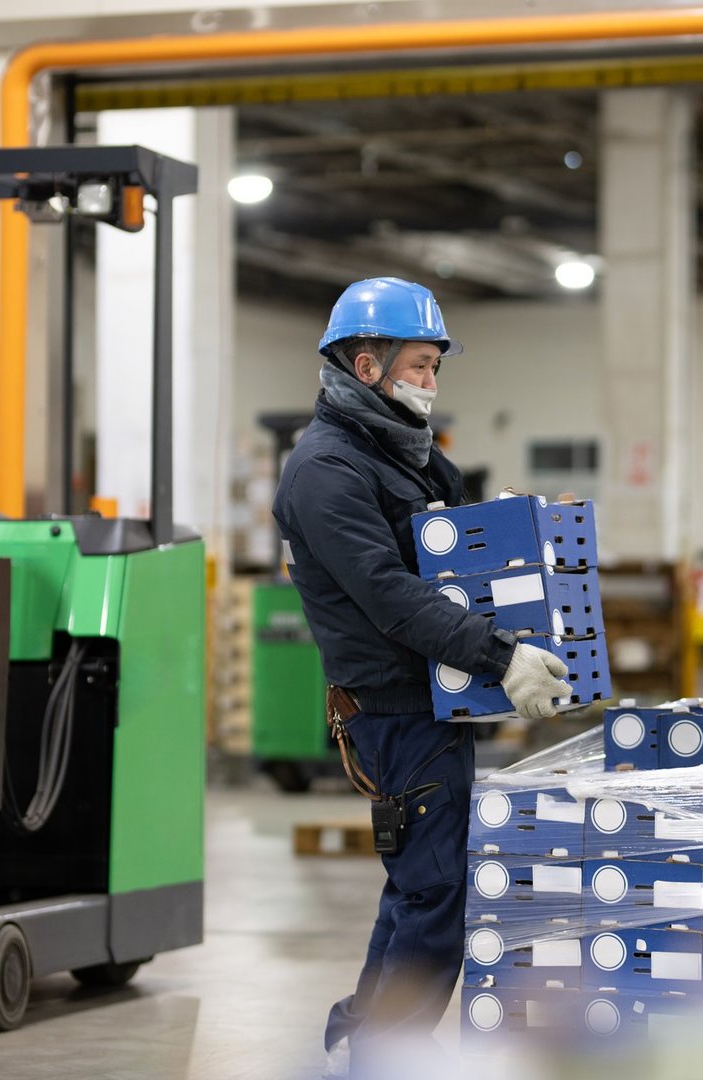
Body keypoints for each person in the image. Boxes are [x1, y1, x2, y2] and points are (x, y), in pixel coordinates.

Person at [272, 277, 572, 1078]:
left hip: (432, 706)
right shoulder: (326, 472)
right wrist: (501, 657)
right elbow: (392, 598)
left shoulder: (399, 455)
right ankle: (388, 1056)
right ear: (366, 365)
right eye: (422, 365)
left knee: (418, 888)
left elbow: (446, 548)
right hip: (395, 713)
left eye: (438, 366)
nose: (432, 382)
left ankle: (361, 1039)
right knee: (439, 897)